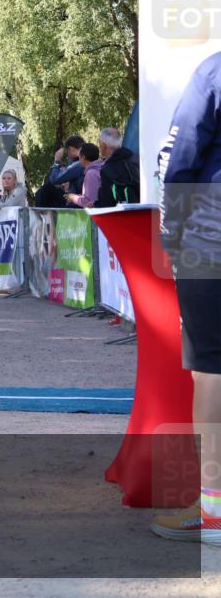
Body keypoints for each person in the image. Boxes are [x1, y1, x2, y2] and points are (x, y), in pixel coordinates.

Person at [150, 52, 221, 546]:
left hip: (211, 246)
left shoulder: (215, 70)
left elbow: (177, 159)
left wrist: (172, 234)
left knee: (212, 372)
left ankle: (215, 510)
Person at [95, 126, 140, 207]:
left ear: (104, 145)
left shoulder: (107, 169)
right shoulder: (137, 159)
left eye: (99, 143)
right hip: (148, 210)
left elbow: (107, 203)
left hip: (124, 215)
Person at [65, 143, 103, 208]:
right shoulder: (100, 169)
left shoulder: (91, 174)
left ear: (83, 158)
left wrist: (72, 197)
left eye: (79, 157)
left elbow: (89, 202)